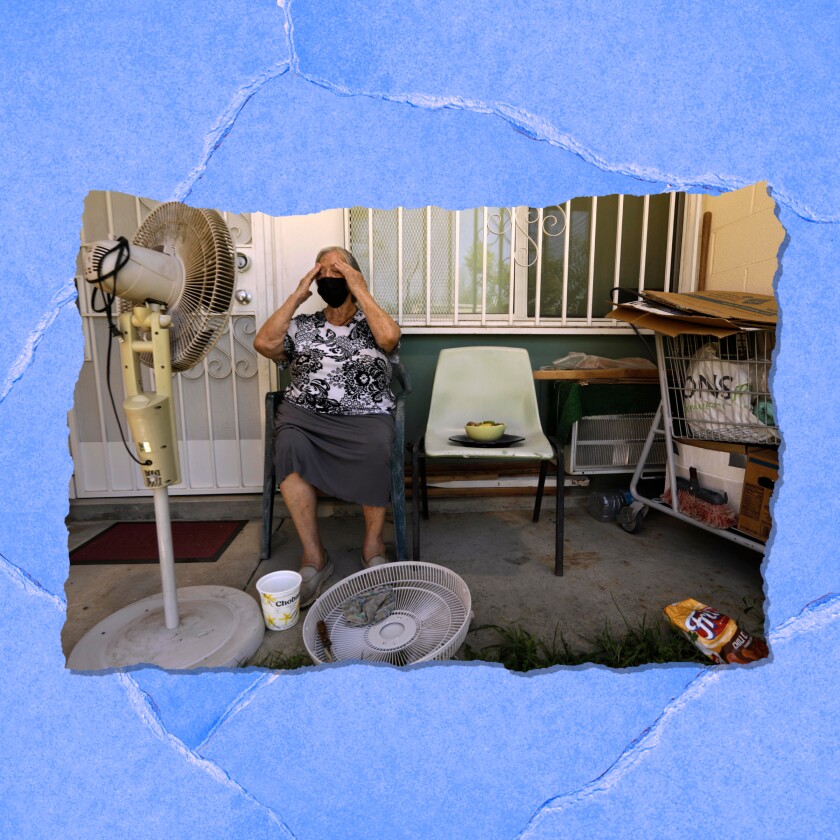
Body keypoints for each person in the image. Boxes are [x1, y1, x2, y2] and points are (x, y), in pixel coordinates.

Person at [253, 247, 402, 607]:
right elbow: (264, 343)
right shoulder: (303, 327)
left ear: (354, 277)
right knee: (288, 443)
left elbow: (390, 340)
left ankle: (373, 546)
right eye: (322, 274)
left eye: (339, 272)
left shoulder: (374, 323)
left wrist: (359, 288)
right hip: (305, 416)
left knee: (375, 445)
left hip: (365, 415)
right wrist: (299, 292)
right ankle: (314, 557)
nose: (328, 280)